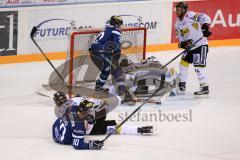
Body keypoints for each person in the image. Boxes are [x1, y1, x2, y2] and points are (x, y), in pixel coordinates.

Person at [52, 92, 153, 150]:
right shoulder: (79, 127)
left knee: (103, 124)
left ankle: (137, 129)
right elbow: (77, 145)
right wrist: (91, 145)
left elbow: (62, 121)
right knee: (108, 127)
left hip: (55, 131)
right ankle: (137, 129)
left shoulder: (71, 108)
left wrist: (90, 121)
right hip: (63, 139)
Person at [89, 15, 136, 104]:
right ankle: (123, 92)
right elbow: (117, 45)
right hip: (101, 52)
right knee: (117, 70)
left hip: (93, 53)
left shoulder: (106, 29)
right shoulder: (115, 30)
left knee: (106, 69)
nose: (120, 26)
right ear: (116, 24)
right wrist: (116, 55)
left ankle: (98, 88)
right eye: (120, 24)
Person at [174, 2, 212, 96]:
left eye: (178, 9)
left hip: (200, 44)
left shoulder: (191, 15)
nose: (176, 11)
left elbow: (205, 17)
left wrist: (205, 27)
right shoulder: (177, 23)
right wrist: (183, 44)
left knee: (198, 66)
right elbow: (181, 39)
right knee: (183, 63)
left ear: (184, 9)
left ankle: (204, 87)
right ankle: (182, 85)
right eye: (176, 9)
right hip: (190, 48)